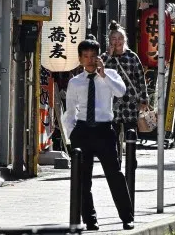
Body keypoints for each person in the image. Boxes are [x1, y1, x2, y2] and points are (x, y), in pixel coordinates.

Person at [63, 39, 135, 231]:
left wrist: (103, 75)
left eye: (93, 56)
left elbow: (121, 92)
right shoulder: (75, 82)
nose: (89, 60)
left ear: (99, 57)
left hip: (104, 130)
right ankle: (90, 219)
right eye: (85, 57)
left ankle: (127, 217)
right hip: (83, 130)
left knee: (115, 175)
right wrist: (72, 135)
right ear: (79, 59)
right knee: (83, 179)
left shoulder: (110, 75)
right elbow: (69, 112)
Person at [101, 21, 149, 167]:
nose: (117, 42)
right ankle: (115, 160)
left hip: (130, 101)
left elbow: (140, 78)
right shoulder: (104, 58)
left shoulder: (132, 57)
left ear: (125, 40)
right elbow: (98, 73)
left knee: (130, 130)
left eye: (120, 38)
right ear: (109, 41)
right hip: (112, 101)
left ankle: (131, 157)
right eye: (114, 39)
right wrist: (109, 55)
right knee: (112, 132)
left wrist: (143, 98)